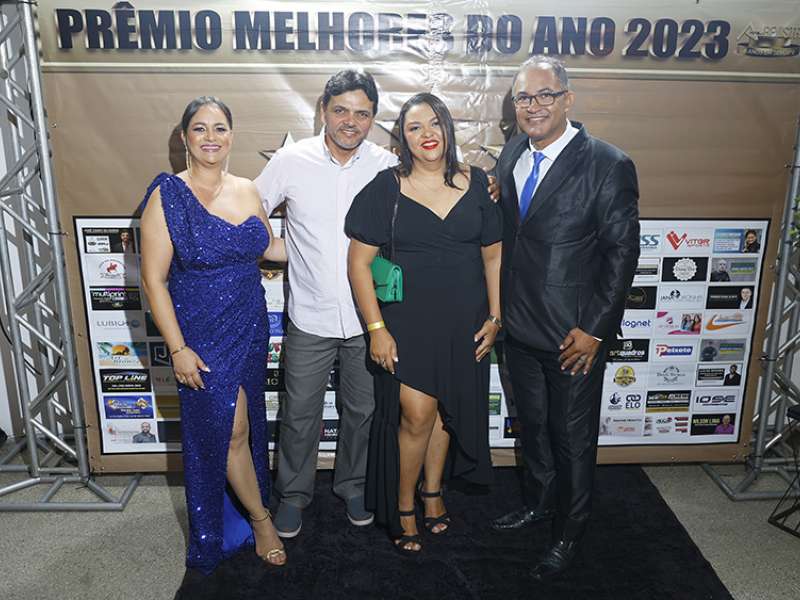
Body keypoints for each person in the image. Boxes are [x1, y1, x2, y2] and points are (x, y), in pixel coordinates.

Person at [254, 70, 500, 538]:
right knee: (300, 413)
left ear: (373, 119)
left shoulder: (389, 165)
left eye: (362, 113)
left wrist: (491, 186)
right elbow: (251, 209)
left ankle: (353, 486)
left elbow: (452, 189)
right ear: (323, 111)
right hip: (312, 313)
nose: (351, 121)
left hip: (374, 319)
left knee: (363, 414)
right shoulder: (290, 160)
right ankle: (293, 496)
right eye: (341, 111)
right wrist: (279, 248)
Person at [490, 56, 640, 580]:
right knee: (533, 430)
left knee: (572, 441)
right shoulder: (512, 153)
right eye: (523, 98)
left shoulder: (608, 163)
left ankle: (569, 533)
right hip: (518, 327)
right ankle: (539, 504)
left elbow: (622, 255)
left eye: (545, 95)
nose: (533, 106)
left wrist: (595, 330)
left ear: (567, 100)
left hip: (573, 335)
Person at [346, 92, 502, 554]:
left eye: (434, 123)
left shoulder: (478, 183)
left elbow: (493, 256)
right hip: (407, 324)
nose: (427, 134)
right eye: (414, 127)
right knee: (416, 414)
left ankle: (432, 492)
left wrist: (496, 316)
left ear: (448, 128)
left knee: (445, 414)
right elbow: (359, 265)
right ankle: (403, 506)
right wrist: (377, 330)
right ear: (403, 139)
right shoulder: (385, 187)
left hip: (465, 321)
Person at [140, 96, 288, 572]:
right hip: (200, 333)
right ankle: (261, 520)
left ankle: (246, 510)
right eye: (200, 128)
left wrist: (333, 241)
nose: (211, 137)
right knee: (230, 429)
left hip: (249, 325)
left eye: (220, 128)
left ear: (231, 136)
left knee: (245, 425)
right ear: (184, 138)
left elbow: (269, 248)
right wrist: (178, 348)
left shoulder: (247, 189)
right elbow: (154, 281)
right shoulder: (167, 195)